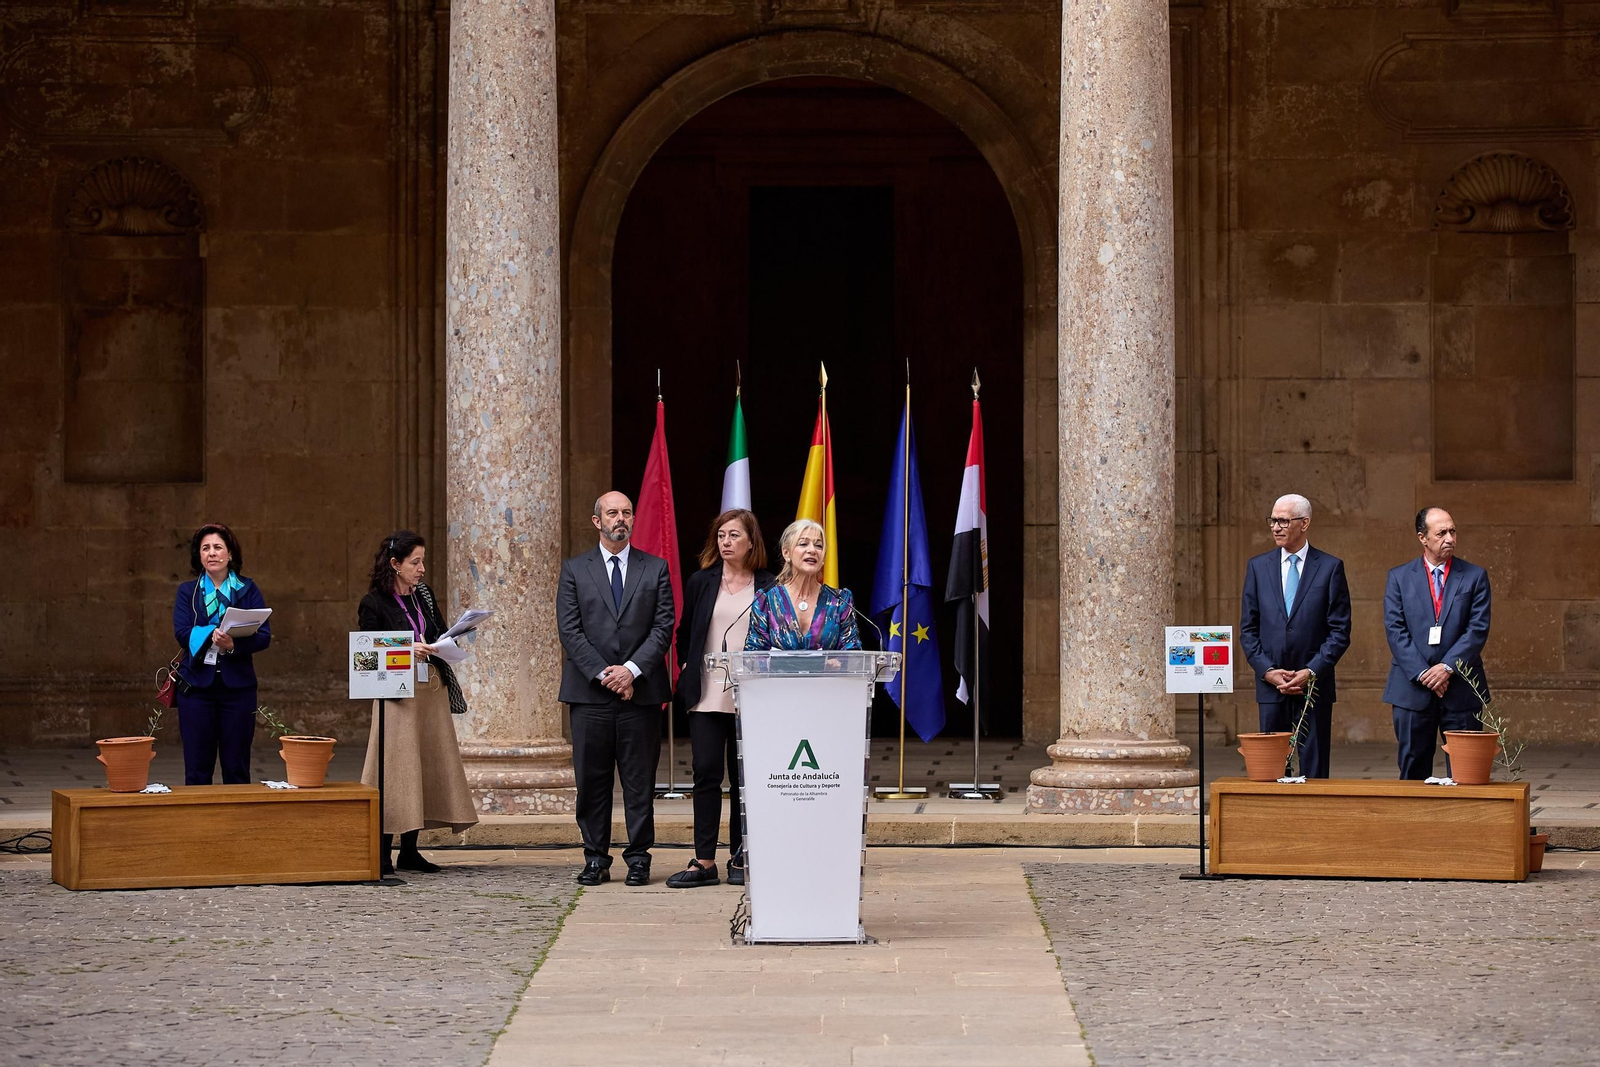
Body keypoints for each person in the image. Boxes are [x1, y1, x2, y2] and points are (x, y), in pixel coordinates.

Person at [556, 491, 676, 887]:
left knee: (639, 783)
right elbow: (570, 630)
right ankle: (595, 859)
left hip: (640, 695)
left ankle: (639, 859)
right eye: (612, 513)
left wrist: (631, 671)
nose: (620, 518)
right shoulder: (575, 570)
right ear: (597, 521)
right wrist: (605, 674)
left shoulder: (655, 568)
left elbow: (663, 626)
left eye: (626, 512)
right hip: (589, 695)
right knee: (592, 783)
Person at [666, 509, 776, 890]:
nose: (726, 542)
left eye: (734, 535)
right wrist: (686, 664)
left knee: (744, 779)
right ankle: (704, 860)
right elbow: (685, 631)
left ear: (751, 541)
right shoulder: (702, 581)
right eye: (721, 536)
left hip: (753, 697)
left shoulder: (770, 585)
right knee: (706, 774)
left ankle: (742, 855)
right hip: (707, 695)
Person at [358, 531, 477, 875]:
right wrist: (405, 649)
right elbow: (364, 652)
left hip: (430, 693)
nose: (422, 568)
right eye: (415, 562)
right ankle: (382, 851)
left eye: (422, 561)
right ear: (395, 564)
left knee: (421, 768)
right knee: (395, 770)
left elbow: (438, 631)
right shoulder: (373, 603)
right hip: (397, 697)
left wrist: (449, 638)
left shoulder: (423, 595)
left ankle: (409, 851)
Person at [1239, 494, 1351, 778]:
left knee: (1315, 768)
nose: (1275, 527)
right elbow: (1248, 630)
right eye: (1273, 520)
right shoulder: (1258, 567)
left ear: (1304, 523)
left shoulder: (1330, 567)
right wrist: (1268, 671)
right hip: (1271, 686)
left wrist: (1311, 671)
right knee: (1272, 768)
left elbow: (1340, 631)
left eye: (1283, 521)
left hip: (1313, 685)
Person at [1382, 507, 1492, 780]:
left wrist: (1446, 667)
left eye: (1452, 531)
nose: (1450, 538)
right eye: (1441, 533)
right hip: (1412, 689)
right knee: (1413, 771)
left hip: (1460, 688)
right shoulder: (1399, 577)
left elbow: (1477, 629)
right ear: (1422, 538)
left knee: (1466, 773)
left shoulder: (1474, 576)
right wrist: (1423, 673)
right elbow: (1395, 630)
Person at [172, 523, 272, 785]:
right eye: (205, 548)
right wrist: (210, 634)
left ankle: (237, 813)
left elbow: (264, 636)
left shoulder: (247, 589)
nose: (212, 553)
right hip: (196, 688)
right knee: (197, 769)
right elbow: (181, 632)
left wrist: (233, 645)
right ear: (199, 555)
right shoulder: (188, 591)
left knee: (237, 768)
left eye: (218, 547)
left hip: (238, 689)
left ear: (230, 554)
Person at [745, 519, 861, 652]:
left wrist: (835, 662)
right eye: (803, 544)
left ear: (823, 557)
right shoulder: (766, 600)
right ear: (786, 553)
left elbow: (853, 653)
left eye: (819, 546)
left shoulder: (840, 601)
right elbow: (753, 655)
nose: (812, 550)